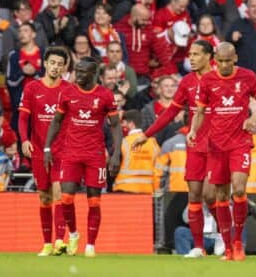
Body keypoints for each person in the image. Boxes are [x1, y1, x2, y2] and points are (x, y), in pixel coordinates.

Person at [187, 42, 256, 261]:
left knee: (239, 190)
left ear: (235, 58)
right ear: (215, 59)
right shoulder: (207, 81)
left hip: (240, 142)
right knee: (220, 195)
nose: (223, 65)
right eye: (220, 61)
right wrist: (194, 130)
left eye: (227, 61)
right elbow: (201, 111)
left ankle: (238, 242)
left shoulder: (248, 77)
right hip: (216, 146)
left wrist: (253, 118)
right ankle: (229, 246)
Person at [135, 40, 216, 257]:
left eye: (196, 54)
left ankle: (226, 240)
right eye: (189, 53)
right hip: (196, 144)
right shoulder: (188, 81)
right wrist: (146, 133)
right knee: (195, 196)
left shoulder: (220, 79)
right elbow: (171, 112)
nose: (191, 57)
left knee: (212, 195)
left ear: (209, 56)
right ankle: (199, 247)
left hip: (220, 145)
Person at [44, 57, 123, 258]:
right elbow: (56, 121)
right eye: (77, 71)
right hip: (71, 153)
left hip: (95, 155)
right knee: (67, 197)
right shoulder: (68, 92)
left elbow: (115, 126)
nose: (77, 75)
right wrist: (47, 148)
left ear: (93, 73)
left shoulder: (105, 95)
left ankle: (90, 245)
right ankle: (73, 234)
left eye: (82, 72)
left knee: (94, 201)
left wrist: (115, 154)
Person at [18, 47, 70, 256]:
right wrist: (24, 140)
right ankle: (47, 243)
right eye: (53, 63)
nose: (56, 67)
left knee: (59, 192)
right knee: (44, 197)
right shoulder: (32, 88)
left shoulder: (68, 89)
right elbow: (22, 118)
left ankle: (59, 241)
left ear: (64, 67)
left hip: (61, 150)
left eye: (60, 64)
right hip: (38, 149)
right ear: (45, 64)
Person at [113, 110, 160, 194]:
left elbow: (114, 165)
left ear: (131, 124)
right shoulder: (153, 143)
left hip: (125, 187)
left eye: (124, 123)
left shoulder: (123, 142)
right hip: (148, 189)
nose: (123, 126)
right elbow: (158, 169)